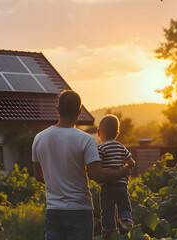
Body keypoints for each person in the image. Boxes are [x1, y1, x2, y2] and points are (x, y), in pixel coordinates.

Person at [32, 90, 133, 240]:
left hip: (53, 210)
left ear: (57, 110)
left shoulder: (39, 138)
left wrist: (58, 181)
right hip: (79, 210)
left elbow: (39, 176)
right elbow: (96, 175)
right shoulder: (86, 140)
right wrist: (122, 172)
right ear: (79, 112)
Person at [97, 115, 135, 239]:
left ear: (98, 133)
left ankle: (109, 231)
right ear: (117, 133)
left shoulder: (101, 148)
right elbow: (132, 162)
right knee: (124, 206)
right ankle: (126, 221)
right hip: (122, 186)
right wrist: (126, 169)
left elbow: (98, 166)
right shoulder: (120, 147)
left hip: (107, 187)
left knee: (107, 210)